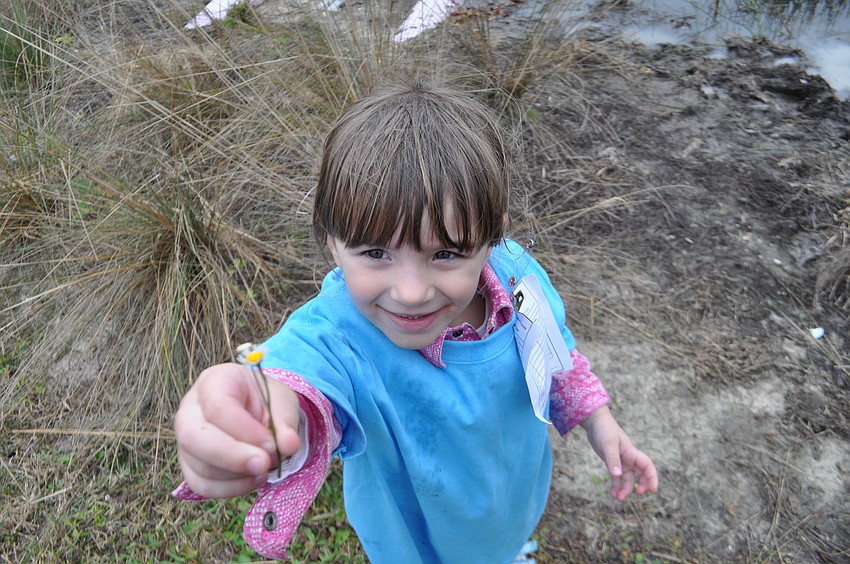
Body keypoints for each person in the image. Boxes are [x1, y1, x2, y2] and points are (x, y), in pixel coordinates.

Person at [173, 80, 658, 562]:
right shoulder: (339, 335)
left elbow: (556, 357)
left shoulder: (518, 277)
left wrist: (598, 422)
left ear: (491, 240)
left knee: (502, 544)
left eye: (445, 253)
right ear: (330, 240)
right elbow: (298, 379)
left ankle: (510, 551)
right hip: (414, 542)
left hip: (510, 497)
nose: (410, 292)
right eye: (375, 252)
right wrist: (265, 412)